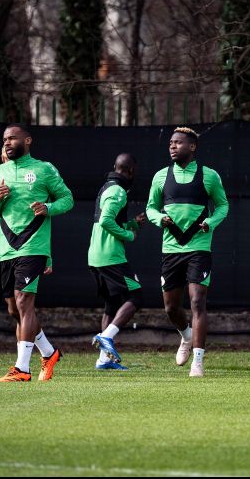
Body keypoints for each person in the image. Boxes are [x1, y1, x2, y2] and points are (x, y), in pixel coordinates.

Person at [0, 123, 74, 382]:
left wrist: (48, 208)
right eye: (4, 139)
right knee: (14, 309)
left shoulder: (43, 169)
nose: (7, 142)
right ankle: (48, 352)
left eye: (13, 138)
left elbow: (67, 199)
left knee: (24, 301)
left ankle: (22, 369)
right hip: (7, 249)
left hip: (33, 246)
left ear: (27, 141)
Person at [0, 146, 59, 378]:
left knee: (11, 306)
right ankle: (47, 351)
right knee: (14, 309)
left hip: (11, 252)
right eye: (5, 145)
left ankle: (17, 364)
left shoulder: (36, 175)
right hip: (0, 252)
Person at [146, 127, 229, 378]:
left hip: (199, 248)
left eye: (178, 143)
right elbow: (151, 208)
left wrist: (210, 222)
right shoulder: (161, 176)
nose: (172, 146)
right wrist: (159, 218)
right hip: (171, 249)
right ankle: (186, 336)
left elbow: (223, 206)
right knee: (171, 308)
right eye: (171, 143)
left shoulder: (209, 176)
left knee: (197, 302)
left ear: (192, 147)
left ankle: (198, 362)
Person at [88, 153, 147, 370]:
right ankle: (107, 336)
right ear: (131, 171)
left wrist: (132, 224)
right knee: (136, 297)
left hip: (96, 255)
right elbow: (106, 221)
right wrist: (129, 235)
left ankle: (103, 360)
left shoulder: (107, 187)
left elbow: (108, 220)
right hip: (110, 256)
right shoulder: (118, 191)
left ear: (115, 166)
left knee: (111, 305)